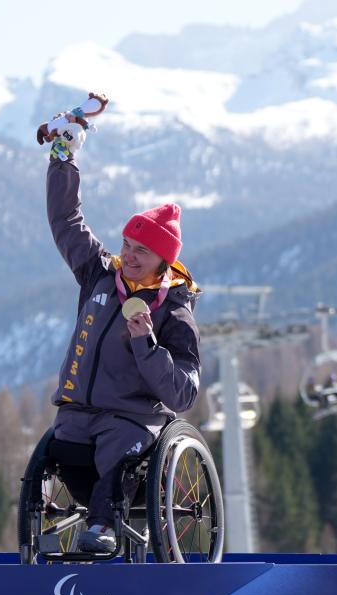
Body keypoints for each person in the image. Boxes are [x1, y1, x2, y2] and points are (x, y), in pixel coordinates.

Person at [41, 102, 201, 552]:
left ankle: (106, 527)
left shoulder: (174, 310)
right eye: (127, 244)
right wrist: (62, 159)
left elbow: (183, 394)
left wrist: (146, 343)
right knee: (65, 453)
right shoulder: (99, 274)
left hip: (134, 419)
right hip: (77, 413)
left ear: (163, 261)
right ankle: (89, 523)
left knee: (118, 457)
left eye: (141, 252)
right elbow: (67, 222)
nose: (128, 255)